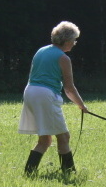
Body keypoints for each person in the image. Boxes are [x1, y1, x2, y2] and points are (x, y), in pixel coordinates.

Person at [18, 21, 88, 176]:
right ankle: (69, 172)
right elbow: (69, 88)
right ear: (68, 41)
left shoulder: (41, 51)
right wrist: (82, 105)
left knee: (45, 140)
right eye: (74, 41)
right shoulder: (63, 58)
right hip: (45, 95)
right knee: (63, 136)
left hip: (30, 92)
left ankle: (29, 173)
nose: (74, 44)